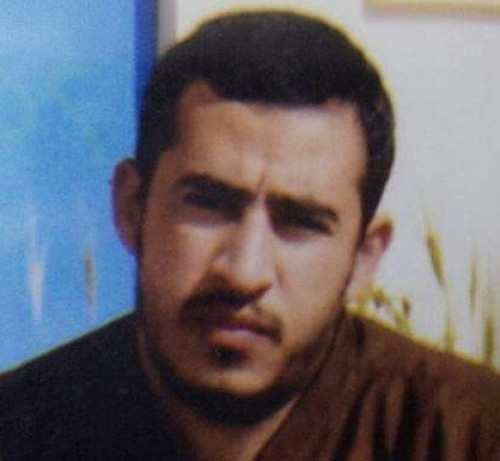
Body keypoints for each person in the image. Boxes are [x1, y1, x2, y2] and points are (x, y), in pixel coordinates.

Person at [1, 9, 499, 461]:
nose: (244, 271)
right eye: (208, 204)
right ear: (133, 208)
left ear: (363, 257)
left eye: (301, 222)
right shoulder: (19, 429)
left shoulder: (468, 436)